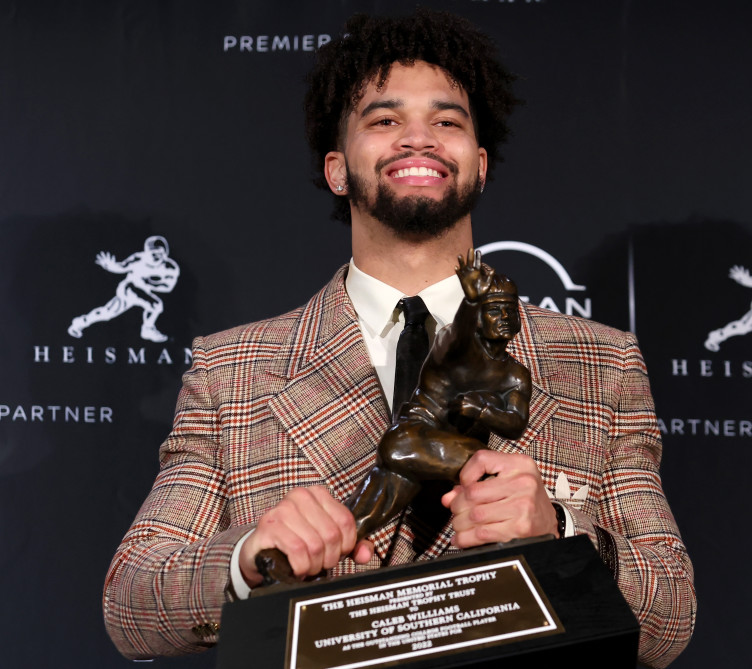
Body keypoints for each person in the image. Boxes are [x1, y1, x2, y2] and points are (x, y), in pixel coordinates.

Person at [103, 9, 695, 667]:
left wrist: (560, 529)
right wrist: (250, 557)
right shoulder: (231, 370)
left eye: (447, 122)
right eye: (384, 121)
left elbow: (670, 617)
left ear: (480, 162)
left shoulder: (600, 362)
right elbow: (132, 605)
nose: (419, 139)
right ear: (336, 168)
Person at [67, 235, 179, 343]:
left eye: (160, 253)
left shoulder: (170, 268)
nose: (157, 256)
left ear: (165, 253)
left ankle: (79, 323)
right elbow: (122, 267)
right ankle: (147, 329)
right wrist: (110, 266)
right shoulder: (138, 259)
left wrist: (149, 283)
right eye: (153, 253)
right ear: (146, 252)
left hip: (144, 291)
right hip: (129, 289)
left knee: (107, 313)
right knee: (155, 305)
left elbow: (168, 287)